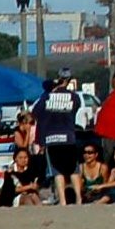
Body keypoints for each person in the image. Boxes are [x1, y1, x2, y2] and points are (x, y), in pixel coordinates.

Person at [31, 69, 84, 205]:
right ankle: (79, 198)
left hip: (51, 138)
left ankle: (63, 200)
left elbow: (35, 112)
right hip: (68, 136)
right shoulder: (74, 96)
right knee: (73, 169)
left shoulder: (47, 96)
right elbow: (76, 108)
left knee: (57, 170)